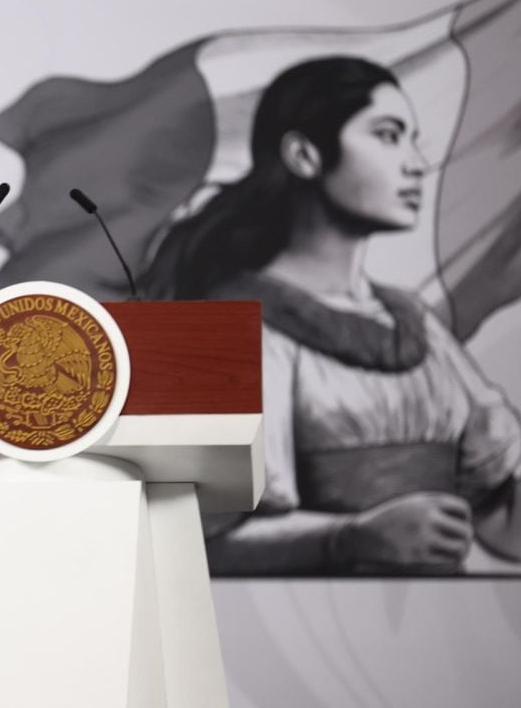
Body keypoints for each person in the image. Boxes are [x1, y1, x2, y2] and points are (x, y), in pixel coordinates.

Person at [141, 56, 521, 575]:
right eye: (388, 136)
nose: (415, 163)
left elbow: (496, 511)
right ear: (304, 155)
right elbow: (196, 542)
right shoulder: (239, 329)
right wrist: (350, 538)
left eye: (413, 140)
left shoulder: (413, 321)